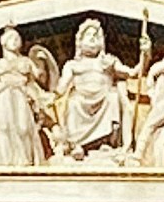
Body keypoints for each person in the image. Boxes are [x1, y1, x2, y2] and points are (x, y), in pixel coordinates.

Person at [53, 21, 133, 162]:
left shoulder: (109, 61)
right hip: (81, 99)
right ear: (79, 42)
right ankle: (76, 145)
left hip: (104, 97)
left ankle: (106, 143)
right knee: (72, 102)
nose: (92, 38)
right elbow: (61, 87)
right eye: (88, 35)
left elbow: (132, 73)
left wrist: (146, 53)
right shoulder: (72, 65)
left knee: (113, 98)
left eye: (95, 36)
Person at [0, 28, 52, 167]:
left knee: (23, 128)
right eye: (11, 38)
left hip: (20, 95)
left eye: (18, 38)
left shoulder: (26, 61)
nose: (15, 41)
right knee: (3, 128)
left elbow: (39, 79)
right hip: (2, 96)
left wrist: (42, 58)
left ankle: (26, 161)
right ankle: (6, 163)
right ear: (3, 43)